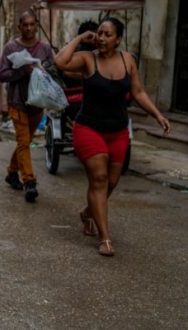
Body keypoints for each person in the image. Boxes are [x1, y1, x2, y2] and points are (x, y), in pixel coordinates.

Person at [55, 17, 170, 256]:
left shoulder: (128, 60)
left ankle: (87, 212)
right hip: (88, 129)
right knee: (98, 179)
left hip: (117, 131)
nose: (102, 38)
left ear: (118, 39)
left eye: (108, 34)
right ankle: (104, 237)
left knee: (112, 182)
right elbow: (60, 61)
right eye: (99, 33)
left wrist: (157, 115)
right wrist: (79, 39)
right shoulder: (88, 59)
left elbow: (137, 92)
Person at [0, 11, 54, 203]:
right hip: (17, 102)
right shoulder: (10, 47)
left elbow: (53, 69)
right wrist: (23, 70)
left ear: (36, 25)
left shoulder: (45, 49)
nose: (29, 28)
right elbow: (2, 75)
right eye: (25, 25)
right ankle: (29, 182)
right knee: (24, 142)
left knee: (25, 142)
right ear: (19, 27)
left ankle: (12, 172)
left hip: (37, 104)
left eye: (32, 24)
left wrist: (43, 68)